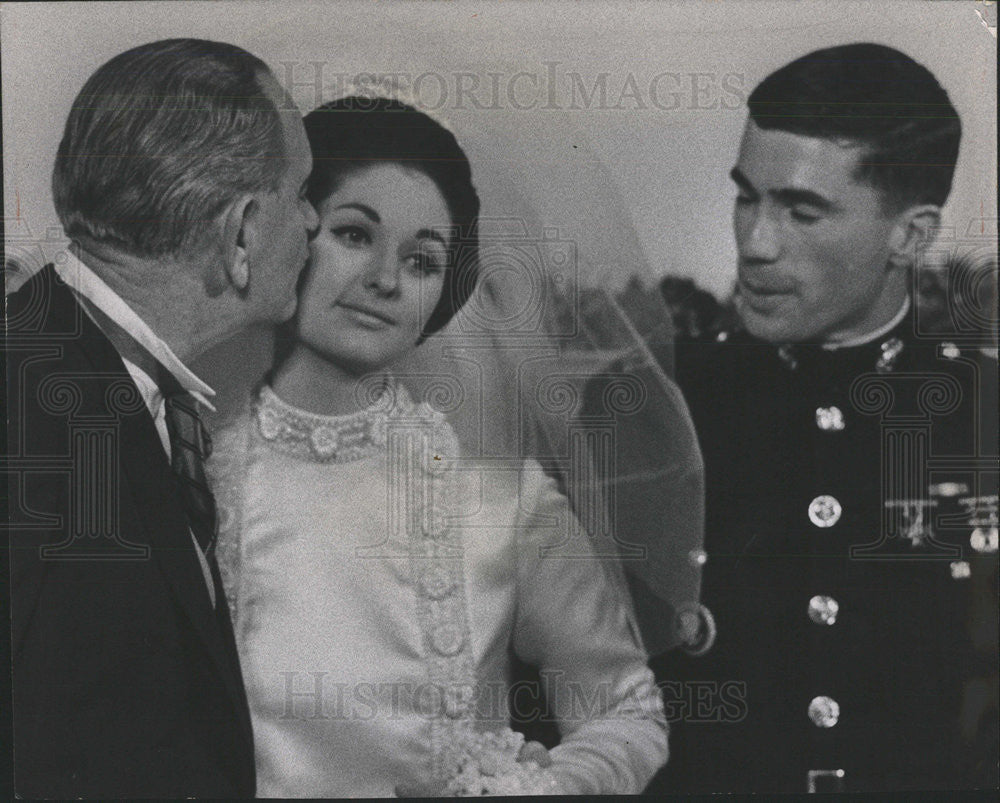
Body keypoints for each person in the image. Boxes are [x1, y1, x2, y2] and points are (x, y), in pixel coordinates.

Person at [208, 94, 668, 797]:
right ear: (287, 236)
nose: (386, 280)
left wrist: (525, 790)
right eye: (355, 235)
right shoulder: (194, 475)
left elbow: (627, 713)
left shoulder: (500, 500)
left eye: (421, 261)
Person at [655, 43, 998, 793]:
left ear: (910, 234)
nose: (755, 243)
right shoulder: (664, 404)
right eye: (748, 196)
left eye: (802, 210)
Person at [6, 39, 318, 797]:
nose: (311, 220)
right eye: (300, 190)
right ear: (241, 232)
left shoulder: (75, 376)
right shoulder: (35, 430)